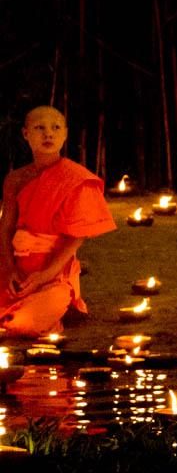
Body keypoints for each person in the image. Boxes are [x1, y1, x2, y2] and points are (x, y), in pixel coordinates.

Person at [0, 106, 115, 335]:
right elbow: (6, 229)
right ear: (25, 134)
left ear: (65, 134)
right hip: (16, 271)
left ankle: (32, 316)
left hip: (53, 274)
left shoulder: (75, 179)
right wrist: (10, 269)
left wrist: (44, 276)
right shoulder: (15, 179)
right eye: (39, 128)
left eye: (55, 128)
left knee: (29, 319)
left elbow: (75, 239)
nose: (48, 134)